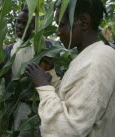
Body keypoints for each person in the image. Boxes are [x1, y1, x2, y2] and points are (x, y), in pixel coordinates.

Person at [26, 0, 115, 137]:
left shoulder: (94, 63)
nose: (58, 32)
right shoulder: (94, 55)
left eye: (62, 25)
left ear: (84, 22)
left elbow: (66, 129)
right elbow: (72, 98)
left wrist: (43, 86)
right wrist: (51, 76)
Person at [1, 8, 52, 137]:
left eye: (25, 23)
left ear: (34, 27)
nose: (19, 26)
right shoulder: (9, 50)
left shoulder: (46, 46)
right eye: (18, 22)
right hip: (21, 105)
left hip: (45, 105)